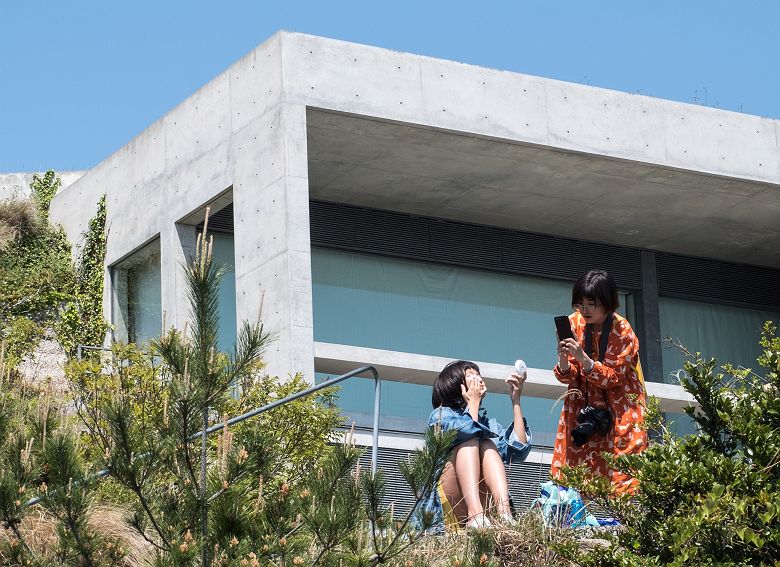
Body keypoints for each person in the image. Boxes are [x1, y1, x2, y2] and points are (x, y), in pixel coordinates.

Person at [552, 269, 647, 494]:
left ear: (606, 303)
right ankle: (575, 523)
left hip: (619, 410)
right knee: (574, 473)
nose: (583, 310)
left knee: (622, 476)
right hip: (582, 407)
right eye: (580, 304)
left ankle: (623, 526)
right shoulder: (574, 322)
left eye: (590, 304)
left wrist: (583, 359)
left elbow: (613, 377)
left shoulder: (621, 330)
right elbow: (567, 376)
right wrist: (564, 357)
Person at [422, 360, 532, 531]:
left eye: (479, 375)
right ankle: (475, 516)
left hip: (484, 504)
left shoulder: (489, 424)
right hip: (451, 506)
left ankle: (505, 514)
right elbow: (467, 432)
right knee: (470, 440)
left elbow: (517, 452)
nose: (478, 379)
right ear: (455, 384)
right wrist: (472, 403)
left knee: (487, 444)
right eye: (471, 376)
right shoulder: (441, 415)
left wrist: (516, 400)